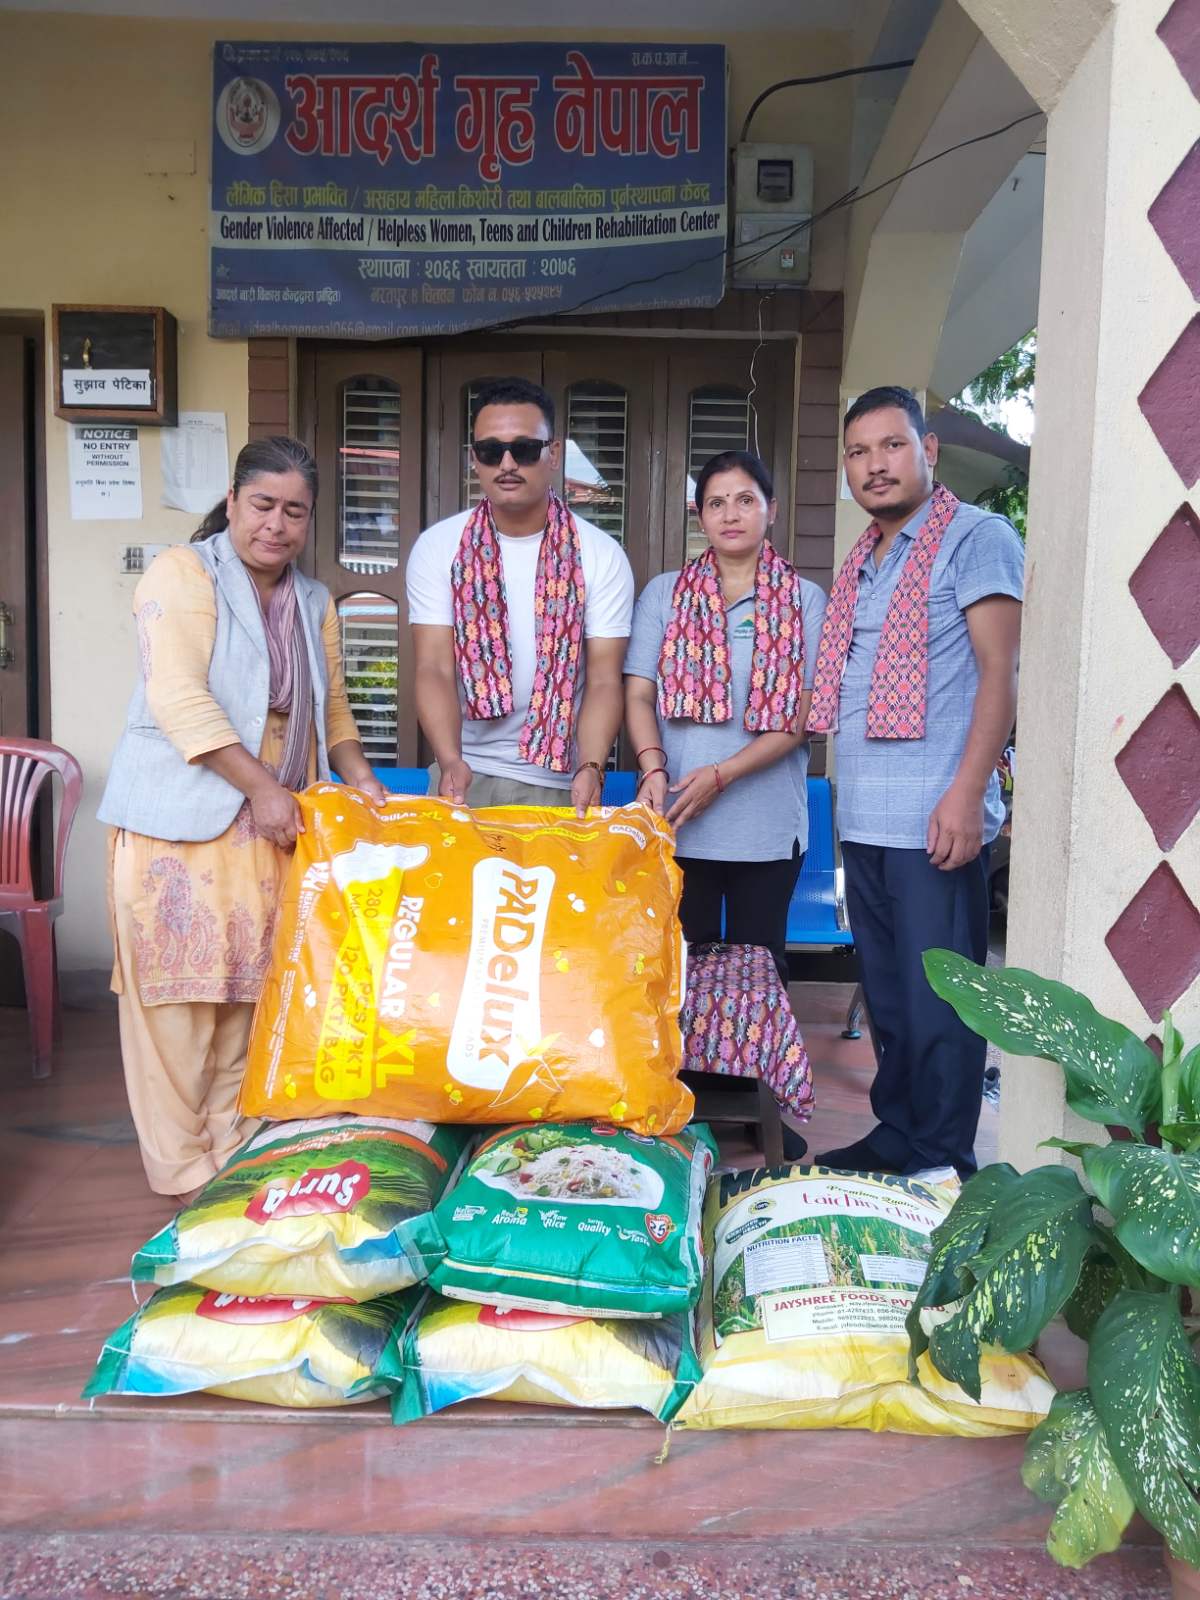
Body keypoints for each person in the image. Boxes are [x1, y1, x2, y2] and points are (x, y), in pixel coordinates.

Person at [98, 435, 386, 1203]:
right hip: (184, 818)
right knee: (176, 1009)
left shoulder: (314, 599)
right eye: (263, 505)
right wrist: (262, 786)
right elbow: (180, 698)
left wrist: (360, 779)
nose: (278, 525)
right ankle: (180, 1173)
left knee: (247, 1001)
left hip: (272, 825)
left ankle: (229, 1153)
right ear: (233, 503)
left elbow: (336, 713)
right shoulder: (183, 573)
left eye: (296, 511)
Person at [806, 386, 1023, 1179]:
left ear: (927, 451)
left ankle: (941, 1154)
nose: (874, 465)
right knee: (892, 999)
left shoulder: (977, 538)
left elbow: (1001, 672)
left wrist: (968, 795)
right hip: (865, 820)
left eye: (891, 446)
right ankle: (898, 1130)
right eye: (858, 453)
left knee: (940, 1008)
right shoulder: (866, 559)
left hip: (937, 816)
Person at [624, 450, 826, 990]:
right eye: (716, 503)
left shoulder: (806, 601)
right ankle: (684, 1079)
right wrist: (652, 769)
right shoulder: (664, 595)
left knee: (757, 980)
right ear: (701, 516)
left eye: (745, 500)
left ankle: (744, 1079)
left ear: (771, 510)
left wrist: (724, 773)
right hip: (678, 822)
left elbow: (802, 716)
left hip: (766, 828)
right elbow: (638, 692)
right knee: (676, 974)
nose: (731, 514)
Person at [406, 377, 634, 816]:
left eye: (525, 449)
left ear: (554, 454)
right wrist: (451, 759)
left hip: (560, 782)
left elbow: (605, 678)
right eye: (491, 451)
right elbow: (433, 667)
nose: (507, 463)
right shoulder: (439, 547)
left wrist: (591, 765)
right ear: (475, 460)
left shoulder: (600, 555)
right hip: (462, 775)